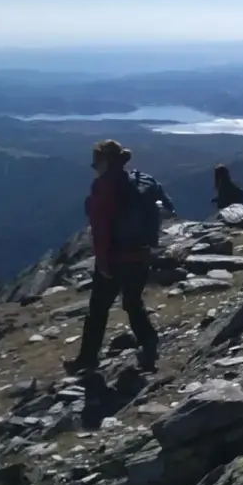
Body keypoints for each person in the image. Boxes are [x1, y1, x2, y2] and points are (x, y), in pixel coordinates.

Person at [66, 140, 159, 374]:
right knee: (133, 302)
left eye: (95, 162)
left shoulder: (104, 186)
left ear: (105, 161)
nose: (93, 166)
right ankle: (149, 342)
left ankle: (87, 358)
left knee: (98, 309)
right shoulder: (137, 181)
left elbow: (102, 229)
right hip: (140, 254)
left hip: (116, 258)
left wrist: (103, 262)